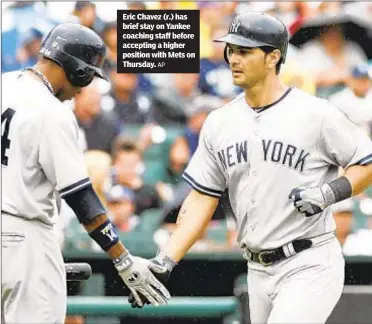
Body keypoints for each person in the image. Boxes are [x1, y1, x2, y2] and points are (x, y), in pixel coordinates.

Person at [128, 12, 372, 324]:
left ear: (273, 57)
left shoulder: (315, 113)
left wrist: (329, 192)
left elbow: (366, 161)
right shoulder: (219, 121)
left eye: (245, 51)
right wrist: (165, 260)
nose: (234, 58)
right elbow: (202, 197)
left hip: (309, 261)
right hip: (256, 269)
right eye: (231, 49)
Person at [1, 23, 169, 323]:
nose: (85, 87)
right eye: (89, 75)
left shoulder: (3, 84)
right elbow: (80, 196)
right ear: (77, 70)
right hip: (24, 239)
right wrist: (122, 258)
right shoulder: (52, 112)